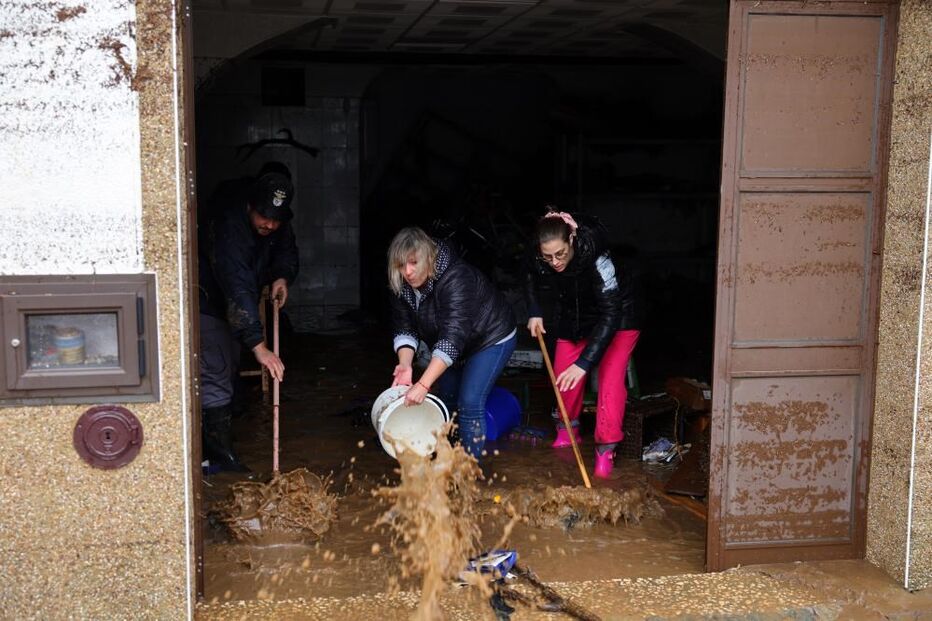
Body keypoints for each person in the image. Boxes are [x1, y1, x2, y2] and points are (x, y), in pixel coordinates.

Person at [197, 163, 299, 472]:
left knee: (227, 365)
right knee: (215, 369)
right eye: (263, 217)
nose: (269, 225)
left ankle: (219, 446)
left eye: (275, 220)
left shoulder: (276, 223)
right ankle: (217, 458)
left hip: (236, 302)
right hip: (208, 300)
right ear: (249, 205)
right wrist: (259, 345)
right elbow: (236, 283)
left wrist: (282, 277)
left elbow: (285, 246)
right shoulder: (230, 223)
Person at [525, 209, 640, 479]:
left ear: (572, 240)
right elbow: (528, 273)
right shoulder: (540, 253)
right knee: (563, 376)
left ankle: (605, 450)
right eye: (548, 256)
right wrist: (534, 309)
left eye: (560, 254)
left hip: (619, 317)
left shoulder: (599, 259)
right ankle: (568, 430)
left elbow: (610, 315)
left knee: (609, 383)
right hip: (574, 317)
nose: (554, 262)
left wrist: (585, 364)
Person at [388, 226, 516, 459]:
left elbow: (452, 337)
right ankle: (446, 464)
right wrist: (405, 364)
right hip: (452, 343)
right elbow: (405, 327)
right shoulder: (401, 284)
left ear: (427, 257)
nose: (407, 271)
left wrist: (423, 384)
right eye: (400, 265)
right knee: (445, 400)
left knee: (469, 401)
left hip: (490, 337)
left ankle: (469, 472)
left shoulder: (456, 277)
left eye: (414, 263)